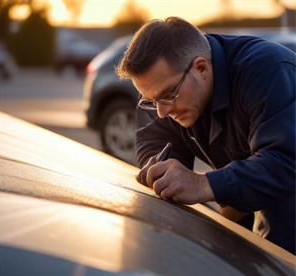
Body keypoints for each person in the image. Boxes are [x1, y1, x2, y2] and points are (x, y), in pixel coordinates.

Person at [115, 17, 296, 255]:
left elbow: (285, 161)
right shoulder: (165, 91)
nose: (162, 112)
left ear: (201, 67)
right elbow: (155, 142)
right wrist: (160, 171)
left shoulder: (268, 72)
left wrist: (202, 183)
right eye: (150, 101)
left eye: (168, 95)